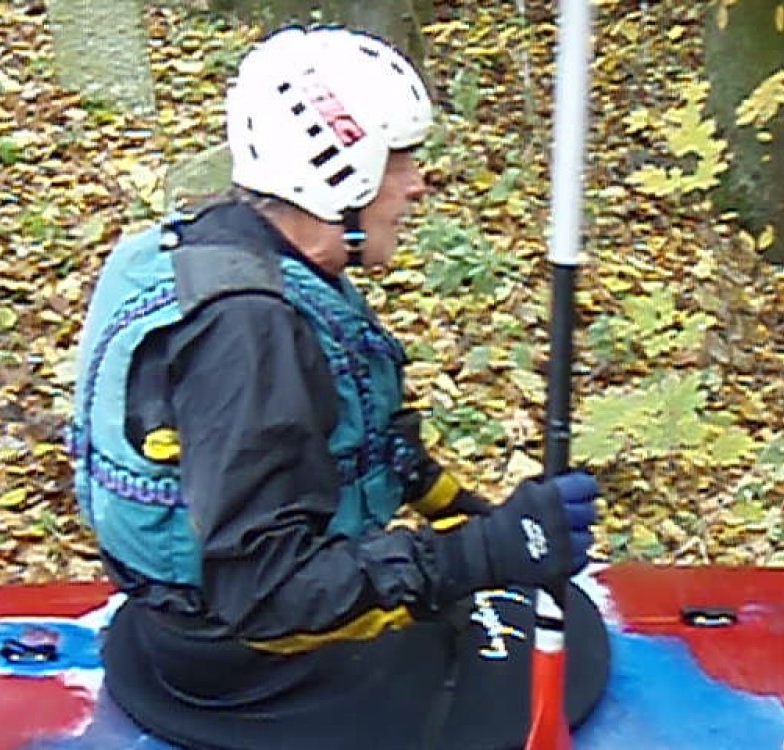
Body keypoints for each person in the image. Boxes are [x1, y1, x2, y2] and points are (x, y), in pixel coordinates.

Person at [69, 25, 599, 750]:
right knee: (557, 668)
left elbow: (352, 441)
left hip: (204, 636)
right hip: (255, 672)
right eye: (398, 161)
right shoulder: (249, 334)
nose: (417, 184)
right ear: (337, 173)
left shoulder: (231, 249)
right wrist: (481, 554)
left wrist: (467, 513)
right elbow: (265, 591)